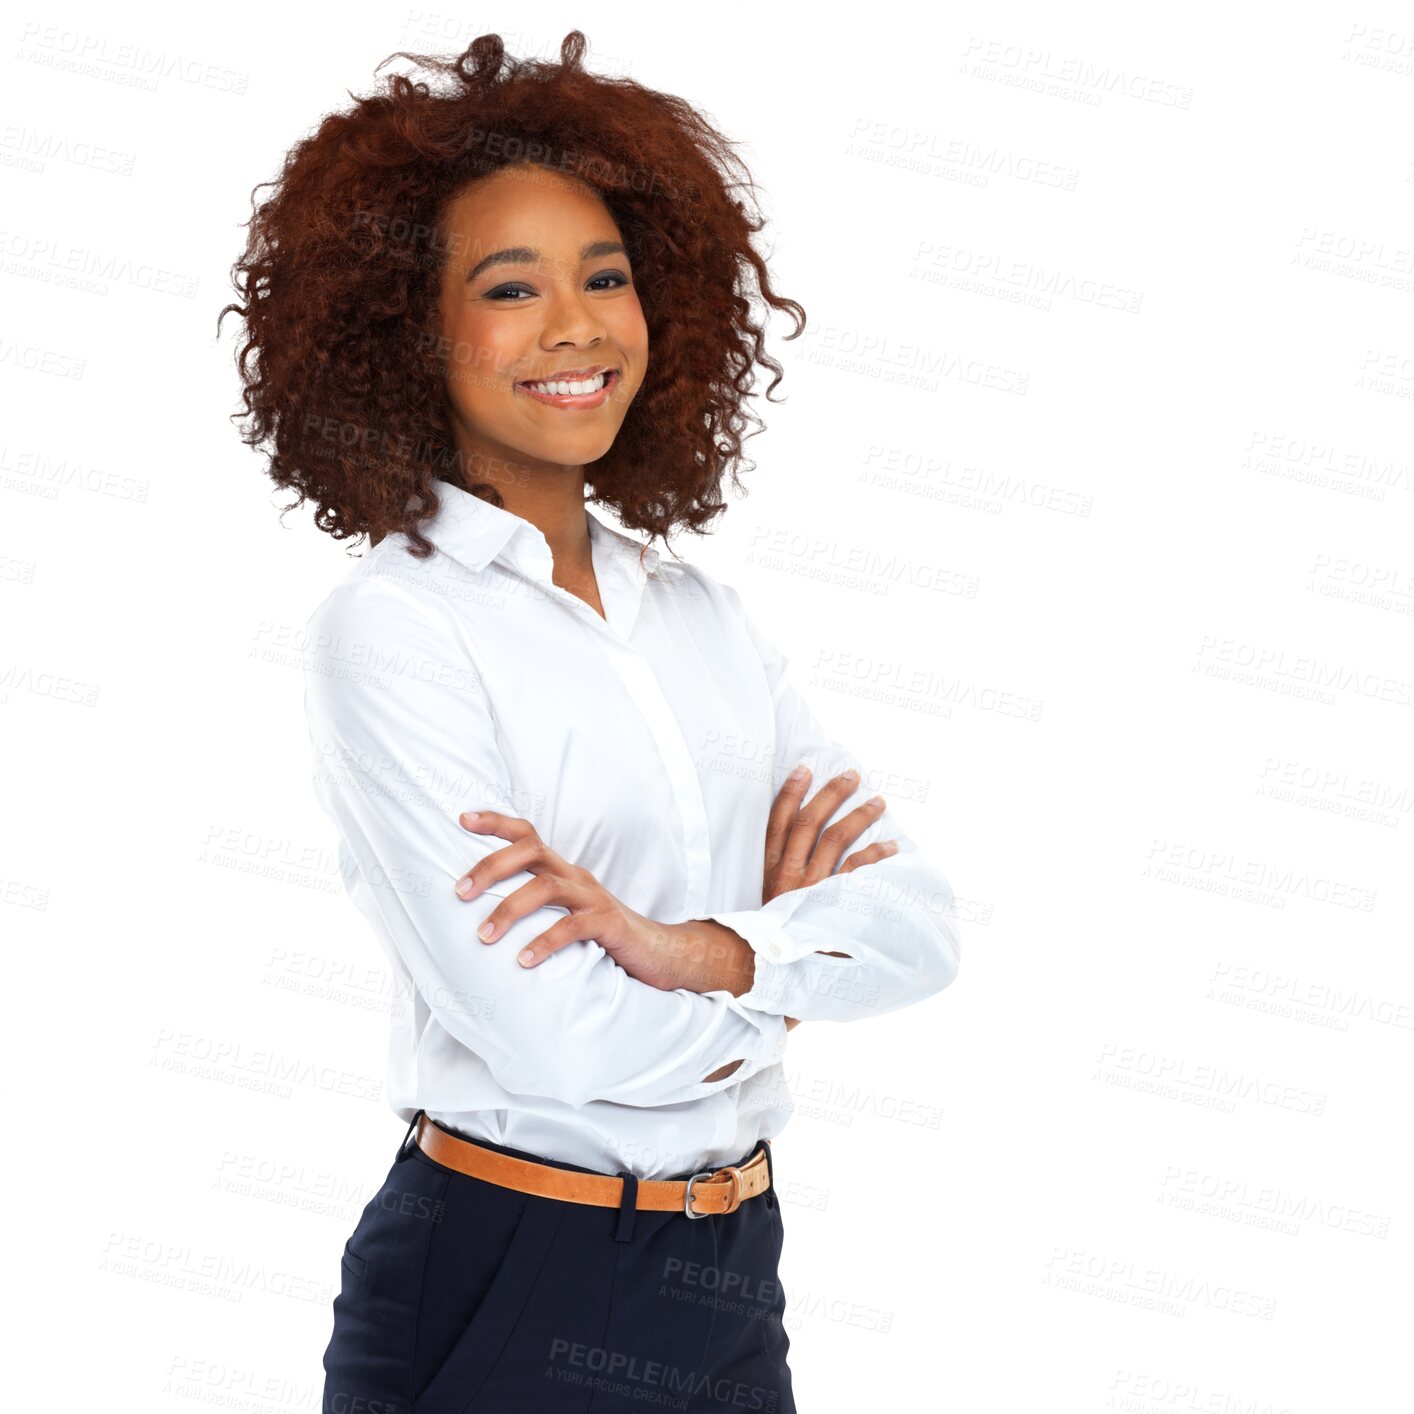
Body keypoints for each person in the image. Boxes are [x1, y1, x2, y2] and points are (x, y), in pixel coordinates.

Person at [221, 30, 962, 1414]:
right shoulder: (397, 627)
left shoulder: (702, 620)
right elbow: (551, 1039)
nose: (575, 324)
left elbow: (920, 926)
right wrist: (788, 982)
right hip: (512, 1270)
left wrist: (695, 950)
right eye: (510, 288)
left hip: (734, 1268)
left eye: (606, 276)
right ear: (406, 331)